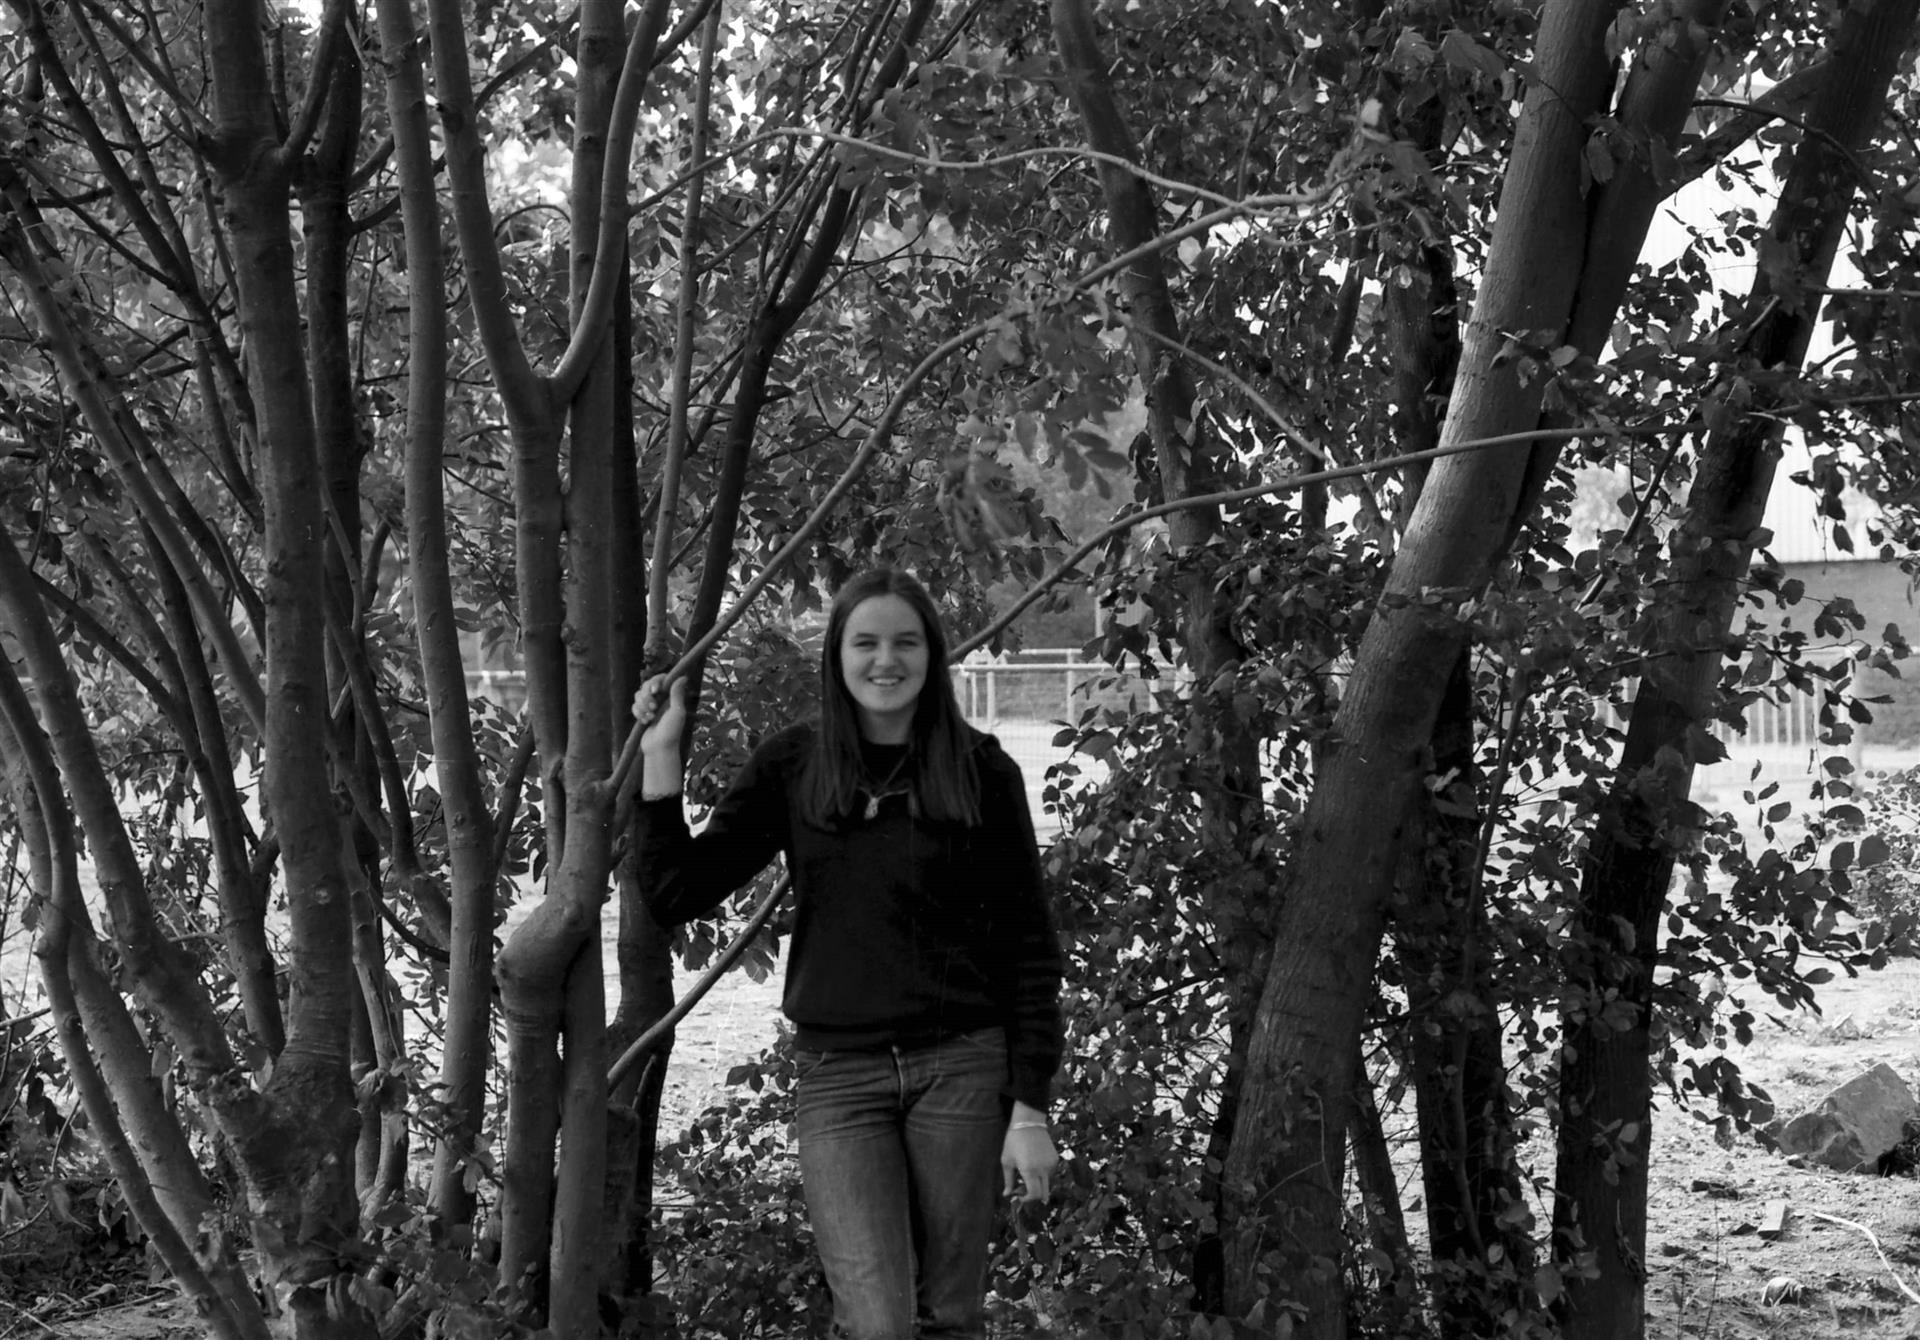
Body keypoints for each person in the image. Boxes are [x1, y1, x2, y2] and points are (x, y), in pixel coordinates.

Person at [631, 568, 1064, 1340]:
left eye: (905, 642)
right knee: (876, 1321)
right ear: (836, 655)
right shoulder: (794, 765)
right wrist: (661, 755)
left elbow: (1028, 945)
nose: (885, 660)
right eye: (865, 642)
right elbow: (675, 892)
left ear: (931, 655)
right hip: (840, 1077)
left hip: (962, 1069)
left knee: (950, 1315)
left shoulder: (982, 772)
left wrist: (1029, 1107)